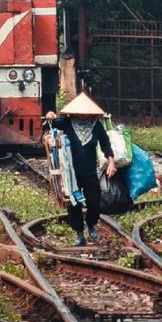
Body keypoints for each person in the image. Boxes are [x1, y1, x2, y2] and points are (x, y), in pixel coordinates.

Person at [45, 93, 117, 247]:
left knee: (94, 200)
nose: (83, 114)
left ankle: (91, 224)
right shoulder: (67, 122)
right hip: (71, 172)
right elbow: (52, 122)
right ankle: (79, 233)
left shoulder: (96, 126)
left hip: (90, 171)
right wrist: (50, 115)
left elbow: (106, 144)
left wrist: (111, 162)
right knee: (74, 203)